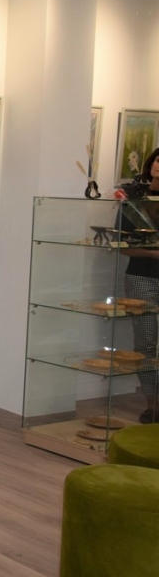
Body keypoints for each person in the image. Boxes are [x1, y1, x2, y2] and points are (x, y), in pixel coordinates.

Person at [116, 147, 159, 424]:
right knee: (145, 343)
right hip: (141, 277)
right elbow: (122, 244)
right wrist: (154, 254)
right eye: (158, 160)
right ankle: (152, 404)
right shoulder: (134, 198)